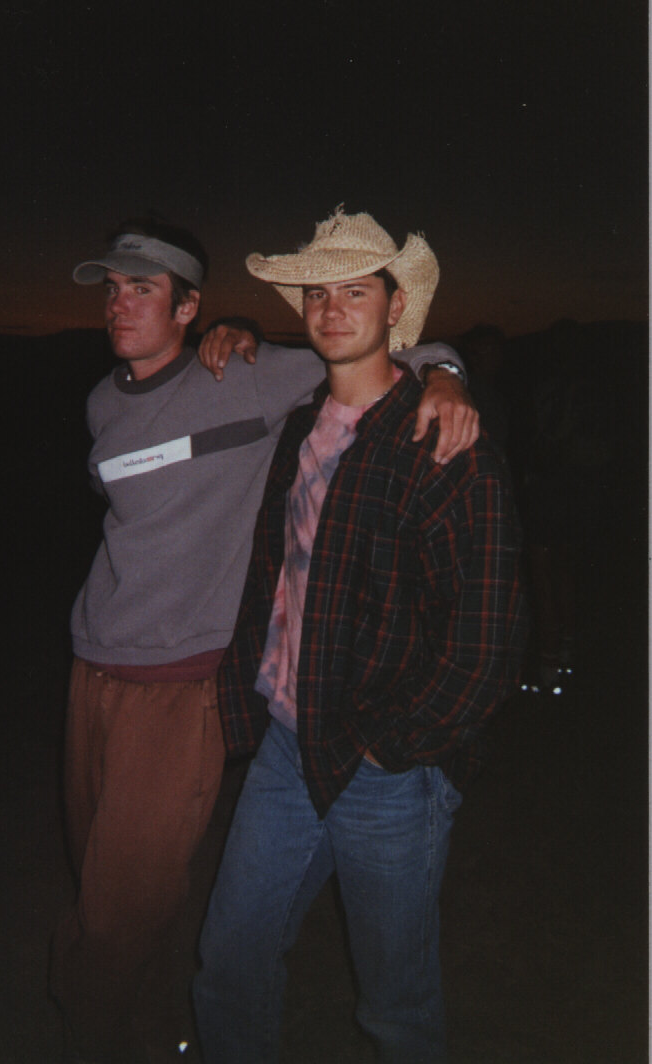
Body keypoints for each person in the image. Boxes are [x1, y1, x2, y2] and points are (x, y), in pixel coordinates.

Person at [48, 215, 479, 1064]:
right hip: (94, 666)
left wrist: (450, 376)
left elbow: (386, 355)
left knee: (119, 909)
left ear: (188, 308)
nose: (120, 304)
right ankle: (147, 1030)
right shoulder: (101, 401)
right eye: (113, 289)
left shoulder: (246, 378)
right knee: (116, 888)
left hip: (185, 682)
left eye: (143, 289)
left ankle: (96, 1033)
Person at [193, 208, 528, 1064]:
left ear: (394, 307)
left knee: (394, 1005)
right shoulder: (300, 426)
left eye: (354, 291)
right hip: (286, 743)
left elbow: (485, 641)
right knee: (229, 961)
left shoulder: (444, 442)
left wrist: (394, 744)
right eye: (317, 292)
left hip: (388, 767)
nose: (330, 308)